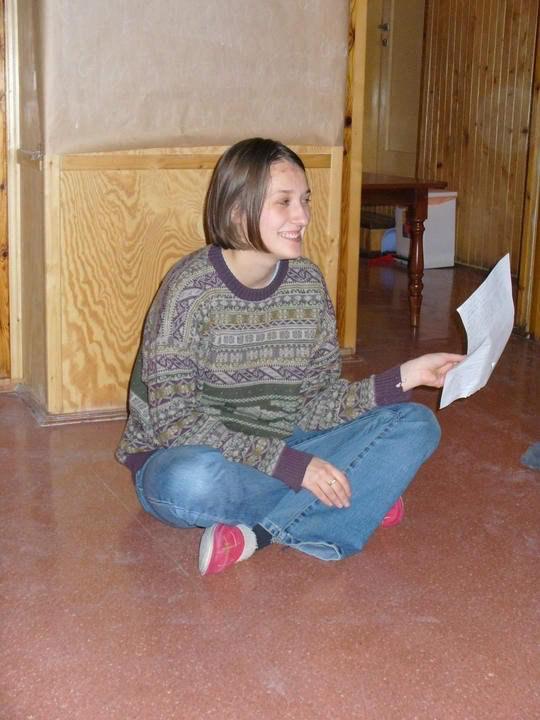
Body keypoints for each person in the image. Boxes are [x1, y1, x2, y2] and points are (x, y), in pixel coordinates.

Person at [116, 137, 463, 576]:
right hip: (188, 454)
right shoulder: (189, 291)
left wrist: (405, 377)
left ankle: (259, 534)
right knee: (189, 482)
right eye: (284, 202)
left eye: (305, 200)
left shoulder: (307, 284)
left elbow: (317, 403)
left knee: (416, 423)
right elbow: (176, 423)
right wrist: (291, 466)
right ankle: (357, 495)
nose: (302, 216)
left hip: (282, 436)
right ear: (237, 210)